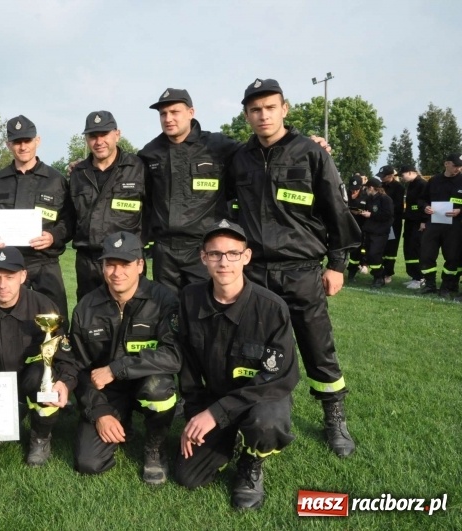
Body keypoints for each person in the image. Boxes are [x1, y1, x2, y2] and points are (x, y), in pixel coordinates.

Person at [225, 78, 361, 458]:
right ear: (247, 115)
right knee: (250, 348)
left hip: (301, 269)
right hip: (252, 273)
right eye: (255, 109)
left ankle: (334, 418)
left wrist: (336, 265)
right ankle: (250, 415)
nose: (263, 115)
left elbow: (337, 211)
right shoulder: (239, 158)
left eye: (270, 107)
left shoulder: (311, 153)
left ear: (285, 109)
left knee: (317, 345)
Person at [176, 219, 298, 510]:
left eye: (233, 254)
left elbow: (278, 377)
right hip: (214, 400)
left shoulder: (271, 308)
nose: (224, 262)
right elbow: (187, 367)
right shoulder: (189, 300)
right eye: (215, 254)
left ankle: (251, 461)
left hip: (259, 398)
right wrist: (195, 416)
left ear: (246, 257)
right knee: (187, 477)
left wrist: (216, 413)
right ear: (203, 258)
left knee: (268, 422)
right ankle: (226, 439)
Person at [0, 247, 78, 471]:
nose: (2, 285)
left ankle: (41, 436)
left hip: (31, 380)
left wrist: (64, 382)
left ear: (23, 276)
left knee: (41, 377)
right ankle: (7, 418)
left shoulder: (43, 306)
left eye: (10, 277)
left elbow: (63, 354)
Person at [69, 231, 179, 485]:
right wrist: (100, 413)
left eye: (126, 264)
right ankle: (120, 418)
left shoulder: (163, 301)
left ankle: (154, 447)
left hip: (146, 381)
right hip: (108, 392)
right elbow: (79, 366)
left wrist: (118, 368)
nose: (117, 272)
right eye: (111, 264)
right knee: (89, 463)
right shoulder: (86, 307)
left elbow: (173, 355)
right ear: (103, 266)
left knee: (158, 388)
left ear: (140, 265)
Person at [137, 88, 241, 293]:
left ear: (191, 112)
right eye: (163, 114)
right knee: (167, 311)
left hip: (203, 247)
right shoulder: (150, 152)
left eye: (175, 112)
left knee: (204, 308)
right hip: (164, 251)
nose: (168, 118)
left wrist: (303, 143)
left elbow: (258, 152)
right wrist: (85, 164)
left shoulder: (217, 146)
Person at [0, 115, 75, 321]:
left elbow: (69, 221)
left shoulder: (56, 181)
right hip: (8, 266)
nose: (22, 147)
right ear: (8, 145)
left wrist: (53, 236)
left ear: (37, 141)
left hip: (45, 264)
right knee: (8, 322)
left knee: (54, 321)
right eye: (17, 142)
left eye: (27, 141)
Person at [69, 111, 148, 301]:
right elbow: (69, 216)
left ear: (117, 134)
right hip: (88, 262)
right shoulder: (78, 173)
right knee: (90, 320)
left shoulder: (138, 168)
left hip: (126, 260)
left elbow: (154, 208)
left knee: (131, 317)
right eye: (92, 136)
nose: (99, 141)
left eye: (104, 135)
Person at [419, 153, 462, 297]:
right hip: (434, 224)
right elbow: (422, 200)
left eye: (460, 166)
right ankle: (430, 284)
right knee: (427, 255)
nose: (457, 169)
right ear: (446, 164)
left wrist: (460, 210)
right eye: (455, 166)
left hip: (454, 226)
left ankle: (447, 286)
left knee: (452, 257)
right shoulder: (434, 181)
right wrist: (425, 207)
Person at [358, 177, 394, 288]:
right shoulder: (370, 199)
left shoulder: (385, 199)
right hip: (369, 231)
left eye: (367, 188)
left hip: (380, 232)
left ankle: (380, 277)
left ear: (372, 187)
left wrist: (371, 215)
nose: (366, 190)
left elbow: (388, 215)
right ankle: (377, 277)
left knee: (375, 255)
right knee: (369, 255)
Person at [400, 164, 428, 289]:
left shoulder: (422, 184)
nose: (401, 177)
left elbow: (425, 204)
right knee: (409, 248)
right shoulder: (411, 184)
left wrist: (424, 221)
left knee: (416, 249)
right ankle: (414, 276)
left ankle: (421, 278)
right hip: (410, 221)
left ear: (411, 172)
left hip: (418, 223)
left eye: (403, 174)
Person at [377, 165, 405, 284]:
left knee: (391, 248)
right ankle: (380, 272)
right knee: (380, 247)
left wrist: (385, 210)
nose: (381, 178)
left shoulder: (399, 188)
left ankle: (388, 273)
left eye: (384, 176)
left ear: (391, 176)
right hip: (380, 221)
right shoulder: (380, 186)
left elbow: (398, 206)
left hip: (393, 222)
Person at [345, 174, 368, 283]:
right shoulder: (344, 194)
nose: (354, 191)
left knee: (356, 252)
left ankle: (351, 274)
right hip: (345, 226)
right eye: (352, 189)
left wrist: (360, 212)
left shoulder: (366, 196)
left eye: (356, 189)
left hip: (360, 227)